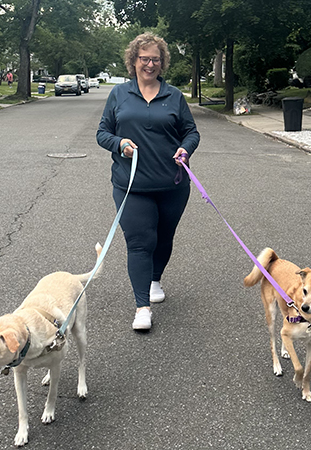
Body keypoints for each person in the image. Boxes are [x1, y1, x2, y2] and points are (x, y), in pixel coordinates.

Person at [96, 32, 200, 331]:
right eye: (144, 58)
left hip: (172, 184)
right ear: (134, 60)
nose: (150, 64)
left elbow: (191, 132)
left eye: (155, 58)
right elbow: (103, 132)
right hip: (132, 186)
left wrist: (185, 148)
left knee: (163, 238)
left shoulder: (174, 96)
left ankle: (154, 279)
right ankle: (142, 307)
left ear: (162, 61)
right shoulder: (119, 94)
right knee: (140, 242)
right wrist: (120, 144)